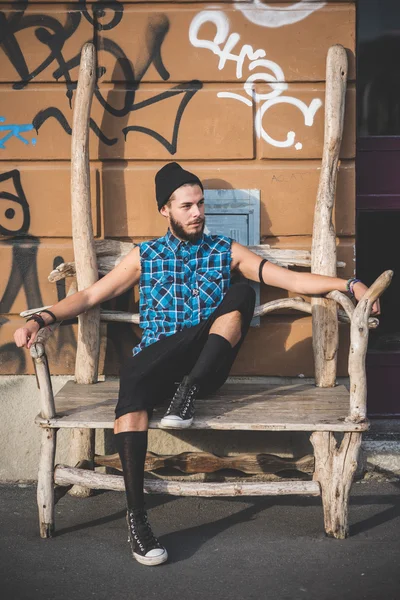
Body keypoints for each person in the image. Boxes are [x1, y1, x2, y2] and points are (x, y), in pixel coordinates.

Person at [14, 162, 380, 567]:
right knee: (134, 381)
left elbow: (291, 281)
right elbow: (88, 298)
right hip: (158, 360)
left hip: (205, 369)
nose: (197, 213)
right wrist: (41, 318)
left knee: (242, 293)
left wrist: (348, 284)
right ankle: (138, 520)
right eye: (187, 205)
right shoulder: (145, 256)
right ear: (165, 211)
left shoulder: (225, 251)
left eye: (201, 204)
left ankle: (187, 393)